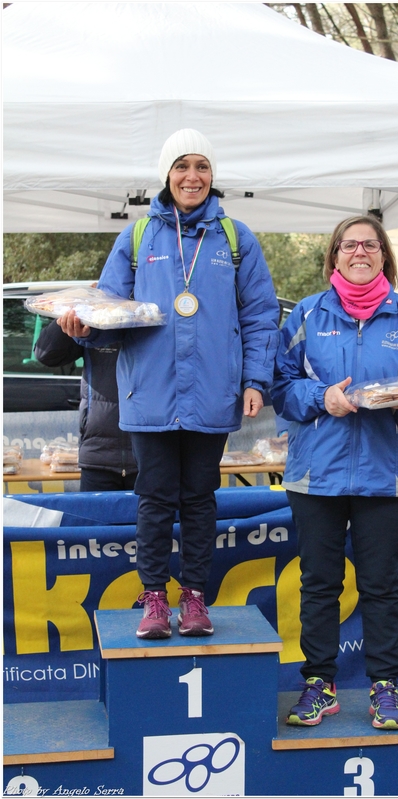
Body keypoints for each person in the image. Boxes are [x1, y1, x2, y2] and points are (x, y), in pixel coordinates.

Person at [58, 128, 280, 640]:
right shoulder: (138, 237)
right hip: (151, 392)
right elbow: (110, 307)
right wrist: (83, 327)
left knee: (201, 498)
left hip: (212, 391)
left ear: (212, 176)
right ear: (166, 174)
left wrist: (254, 380)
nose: (192, 176)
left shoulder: (234, 237)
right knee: (154, 498)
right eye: (182, 166)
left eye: (202, 167)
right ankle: (154, 598)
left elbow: (262, 316)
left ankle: (195, 598)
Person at [271, 214, 398, 730]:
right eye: (350, 245)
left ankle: (385, 687)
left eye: (369, 245)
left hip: (384, 476)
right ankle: (318, 685)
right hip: (314, 475)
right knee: (319, 584)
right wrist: (322, 396)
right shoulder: (306, 313)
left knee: (381, 586)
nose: (360, 252)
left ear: (384, 255)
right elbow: (281, 386)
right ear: (335, 256)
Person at [34, 305, 137, 492]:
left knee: (152, 521)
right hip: (98, 455)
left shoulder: (153, 307)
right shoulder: (95, 312)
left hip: (150, 455)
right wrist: (77, 307)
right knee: (94, 520)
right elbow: (45, 354)